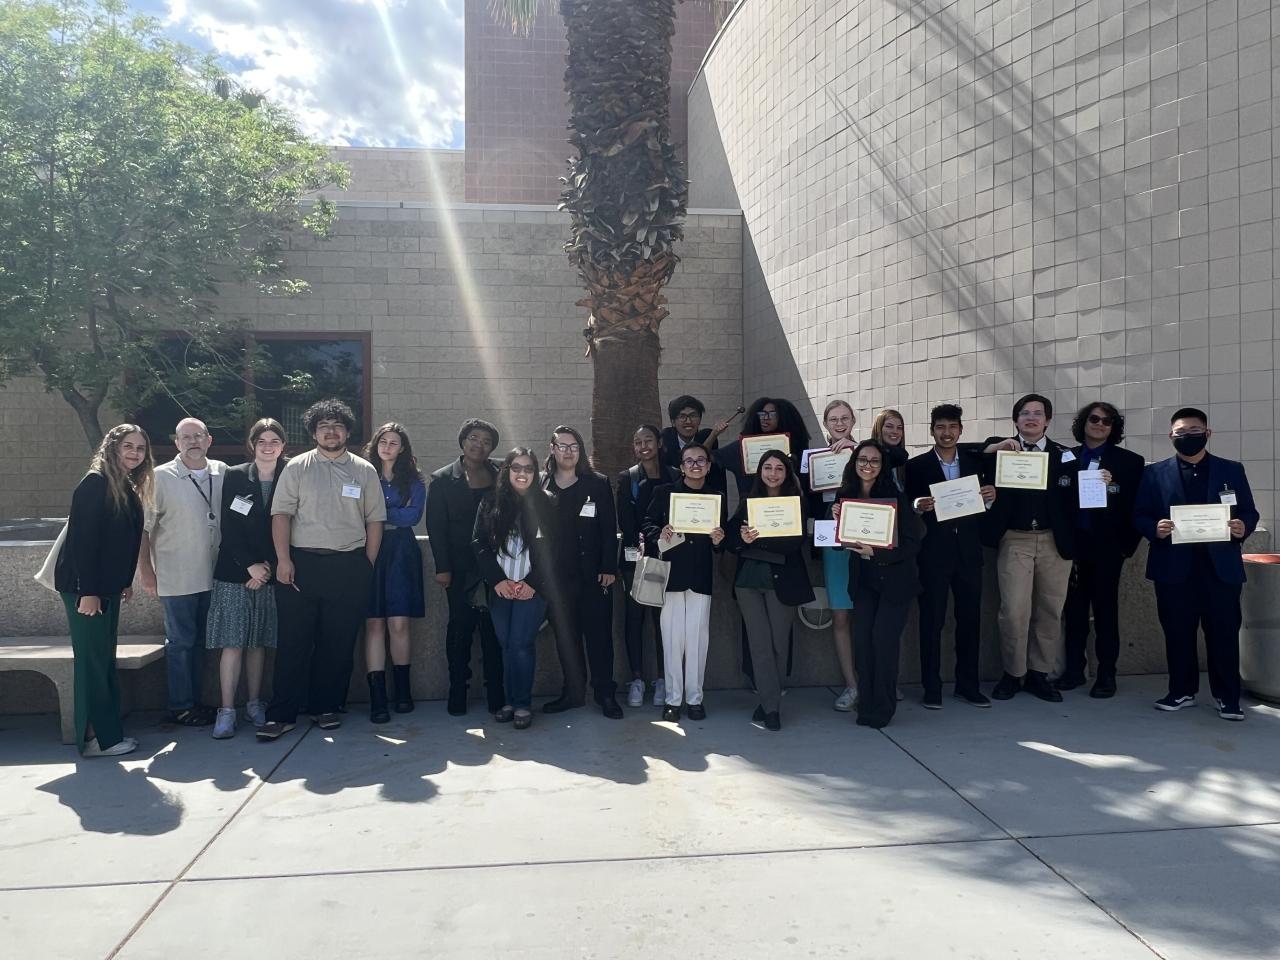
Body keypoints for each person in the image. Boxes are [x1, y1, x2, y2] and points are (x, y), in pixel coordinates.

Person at [257, 400, 385, 741]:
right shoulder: (296, 468)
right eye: (324, 426)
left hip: (349, 565)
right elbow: (281, 515)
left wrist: (367, 564)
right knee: (293, 642)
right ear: (313, 432)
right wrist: (283, 560)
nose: (331, 431)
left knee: (338, 643)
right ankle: (281, 714)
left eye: (337, 425)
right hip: (301, 565)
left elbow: (375, 520)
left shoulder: (364, 470)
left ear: (347, 432)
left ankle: (326, 706)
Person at [1134, 408, 1258, 721]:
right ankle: (1181, 691)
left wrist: (1243, 526)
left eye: (1194, 431)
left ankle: (1227, 697)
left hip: (1220, 568)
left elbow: (1249, 511)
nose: (1187, 437)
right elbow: (1139, 514)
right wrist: (1154, 528)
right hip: (1173, 567)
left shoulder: (1231, 470)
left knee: (1224, 633)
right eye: (1181, 432)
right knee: (1177, 632)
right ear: (1170, 436)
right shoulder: (1154, 473)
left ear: (1207, 433)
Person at [54, 425, 154, 756]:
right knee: (93, 663)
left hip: (106, 589)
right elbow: (83, 543)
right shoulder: (94, 484)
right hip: (86, 590)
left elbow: (121, 540)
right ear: (112, 447)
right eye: (128, 446)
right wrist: (89, 591)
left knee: (103, 659)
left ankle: (108, 733)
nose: (135, 453)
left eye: (140, 448)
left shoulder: (124, 485)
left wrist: (123, 581)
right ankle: (95, 739)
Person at [982, 393, 1080, 702]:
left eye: (1038, 413)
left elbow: (1077, 497)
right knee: (1013, 611)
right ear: (1016, 420)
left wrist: (1099, 482)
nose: (1031, 418)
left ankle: (1040, 674)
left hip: (1054, 541)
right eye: (1025, 413)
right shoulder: (1001, 450)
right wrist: (995, 450)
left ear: (1048, 420)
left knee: (1050, 610)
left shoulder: (1065, 455)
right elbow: (971, 456)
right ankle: (1013, 673)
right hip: (1015, 539)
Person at [905, 404, 996, 710]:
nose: (947, 433)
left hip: (969, 552)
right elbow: (907, 504)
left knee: (970, 620)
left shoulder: (976, 463)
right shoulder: (917, 466)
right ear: (932, 430)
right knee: (931, 621)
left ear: (961, 430)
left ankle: (967, 686)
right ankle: (931, 687)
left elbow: (984, 506)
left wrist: (990, 499)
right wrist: (917, 505)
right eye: (941, 427)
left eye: (952, 427)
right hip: (933, 553)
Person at [137, 417, 227, 726]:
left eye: (198, 436)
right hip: (176, 576)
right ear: (176, 443)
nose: (193, 442)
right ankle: (179, 706)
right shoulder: (159, 477)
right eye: (185, 437)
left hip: (214, 575)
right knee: (180, 643)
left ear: (209, 440)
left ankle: (195, 704)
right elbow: (143, 529)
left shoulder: (223, 472)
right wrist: (146, 571)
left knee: (201, 643)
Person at [206, 418, 287, 739]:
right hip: (234, 572)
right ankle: (226, 710)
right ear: (252, 445)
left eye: (274, 441)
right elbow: (230, 526)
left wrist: (268, 567)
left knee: (258, 643)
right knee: (233, 642)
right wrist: (250, 566)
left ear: (283, 445)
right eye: (261, 441)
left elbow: (293, 522)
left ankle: (254, 704)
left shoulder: (290, 474)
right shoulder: (236, 475)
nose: (268, 447)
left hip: (271, 573)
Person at [1058, 401, 1145, 698]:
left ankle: (1107, 674)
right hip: (1072, 547)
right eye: (1094, 419)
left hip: (1108, 548)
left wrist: (1124, 548)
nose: (1099, 424)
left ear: (1114, 428)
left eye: (1107, 421)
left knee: (1106, 611)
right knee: (1074, 611)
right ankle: (1074, 670)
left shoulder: (1129, 462)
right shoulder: (1065, 457)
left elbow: (1136, 507)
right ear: (1083, 423)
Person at [726, 450, 814, 731]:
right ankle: (772, 708)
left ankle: (767, 700)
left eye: (779, 468)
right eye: (767, 467)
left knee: (778, 645)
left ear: (786, 473)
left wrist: (757, 541)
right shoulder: (748, 502)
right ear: (760, 471)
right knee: (759, 645)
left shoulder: (796, 503)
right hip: (748, 584)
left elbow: (793, 543)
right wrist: (742, 538)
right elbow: (729, 539)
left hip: (782, 583)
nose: (773, 473)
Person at [835, 440, 921, 728]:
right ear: (854, 463)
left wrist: (877, 552)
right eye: (862, 460)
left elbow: (912, 543)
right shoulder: (846, 495)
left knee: (883, 643)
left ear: (882, 466)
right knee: (863, 644)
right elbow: (840, 543)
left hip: (895, 582)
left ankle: (883, 708)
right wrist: (837, 523)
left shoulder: (895, 497)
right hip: (864, 582)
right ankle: (867, 705)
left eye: (874, 461)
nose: (867, 465)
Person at [472, 449, 557, 730]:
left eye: (529, 469)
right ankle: (509, 701)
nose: (522, 474)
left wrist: (532, 584)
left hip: (532, 589)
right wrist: (498, 581)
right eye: (517, 468)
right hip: (501, 588)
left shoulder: (547, 502)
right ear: (507, 470)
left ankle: (522, 704)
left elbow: (555, 550)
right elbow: (479, 543)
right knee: (506, 644)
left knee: (521, 644)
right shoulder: (491, 502)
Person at [542, 425, 623, 718]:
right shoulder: (542, 484)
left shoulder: (597, 483)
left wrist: (609, 567)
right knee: (567, 638)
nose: (568, 452)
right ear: (552, 449)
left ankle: (605, 693)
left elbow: (609, 528)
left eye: (574, 446)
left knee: (599, 637)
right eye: (562, 446)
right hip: (557, 578)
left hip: (594, 575)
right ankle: (573, 693)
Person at [643, 442, 727, 722]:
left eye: (701, 460)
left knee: (697, 639)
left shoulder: (716, 497)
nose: (695, 465)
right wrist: (660, 532)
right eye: (689, 461)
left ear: (708, 466)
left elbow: (719, 541)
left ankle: (695, 699)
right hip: (671, 575)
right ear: (681, 467)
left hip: (700, 576)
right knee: (672, 639)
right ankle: (672, 699)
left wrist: (719, 540)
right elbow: (647, 523)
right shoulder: (665, 493)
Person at [426, 419, 504, 716]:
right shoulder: (443, 479)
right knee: (460, 627)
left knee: (493, 629)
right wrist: (442, 568)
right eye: (473, 438)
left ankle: (496, 690)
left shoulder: (500, 474)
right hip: (459, 567)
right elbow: (436, 528)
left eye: (486, 441)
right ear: (462, 441)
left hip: (495, 565)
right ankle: (458, 688)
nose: (479, 445)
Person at [363, 423, 427, 723]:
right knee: (373, 623)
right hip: (369, 550)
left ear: (402, 449)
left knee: (399, 623)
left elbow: (411, 517)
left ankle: (403, 691)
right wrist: (391, 513)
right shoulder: (362, 475)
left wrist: (375, 513)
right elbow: (354, 512)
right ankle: (377, 698)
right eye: (383, 441)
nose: (387, 446)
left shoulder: (414, 481)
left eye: (394, 442)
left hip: (401, 552)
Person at [616, 424, 679, 707]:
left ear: (660, 443)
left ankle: (664, 679)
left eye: (648, 440)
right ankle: (637, 680)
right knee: (634, 619)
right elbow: (626, 523)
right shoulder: (627, 478)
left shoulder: (675, 475)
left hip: (669, 558)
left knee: (663, 622)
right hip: (637, 560)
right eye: (638, 441)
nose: (643, 446)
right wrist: (640, 554)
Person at [815, 400, 858, 711]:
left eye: (844, 418)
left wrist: (856, 451)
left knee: (870, 616)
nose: (839, 424)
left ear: (853, 421)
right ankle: (852, 684)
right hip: (833, 544)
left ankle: (879, 679)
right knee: (841, 616)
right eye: (833, 419)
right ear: (826, 424)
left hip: (867, 541)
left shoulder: (868, 452)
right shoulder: (816, 458)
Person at [716, 397, 812, 496]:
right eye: (762, 414)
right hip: (753, 503)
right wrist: (713, 434)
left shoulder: (797, 446)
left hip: (788, 502)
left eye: (772, 414)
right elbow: (708, 459)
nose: (765, 418)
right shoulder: (743, 448)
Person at [659, 394, 731, 493]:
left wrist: (713, 435)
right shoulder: (666, 437)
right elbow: (680, 467)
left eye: (693, 416)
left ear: (700, 419)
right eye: (682, 416)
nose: (688, 421)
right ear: (673, 422)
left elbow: (704, 461)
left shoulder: (706, 435)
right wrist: (712, 436)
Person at [870, 408, 909, 490]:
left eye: (899, 428)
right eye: (889, 426)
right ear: (878, 429)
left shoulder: (903, 460)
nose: (895, 431)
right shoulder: (870, 459)